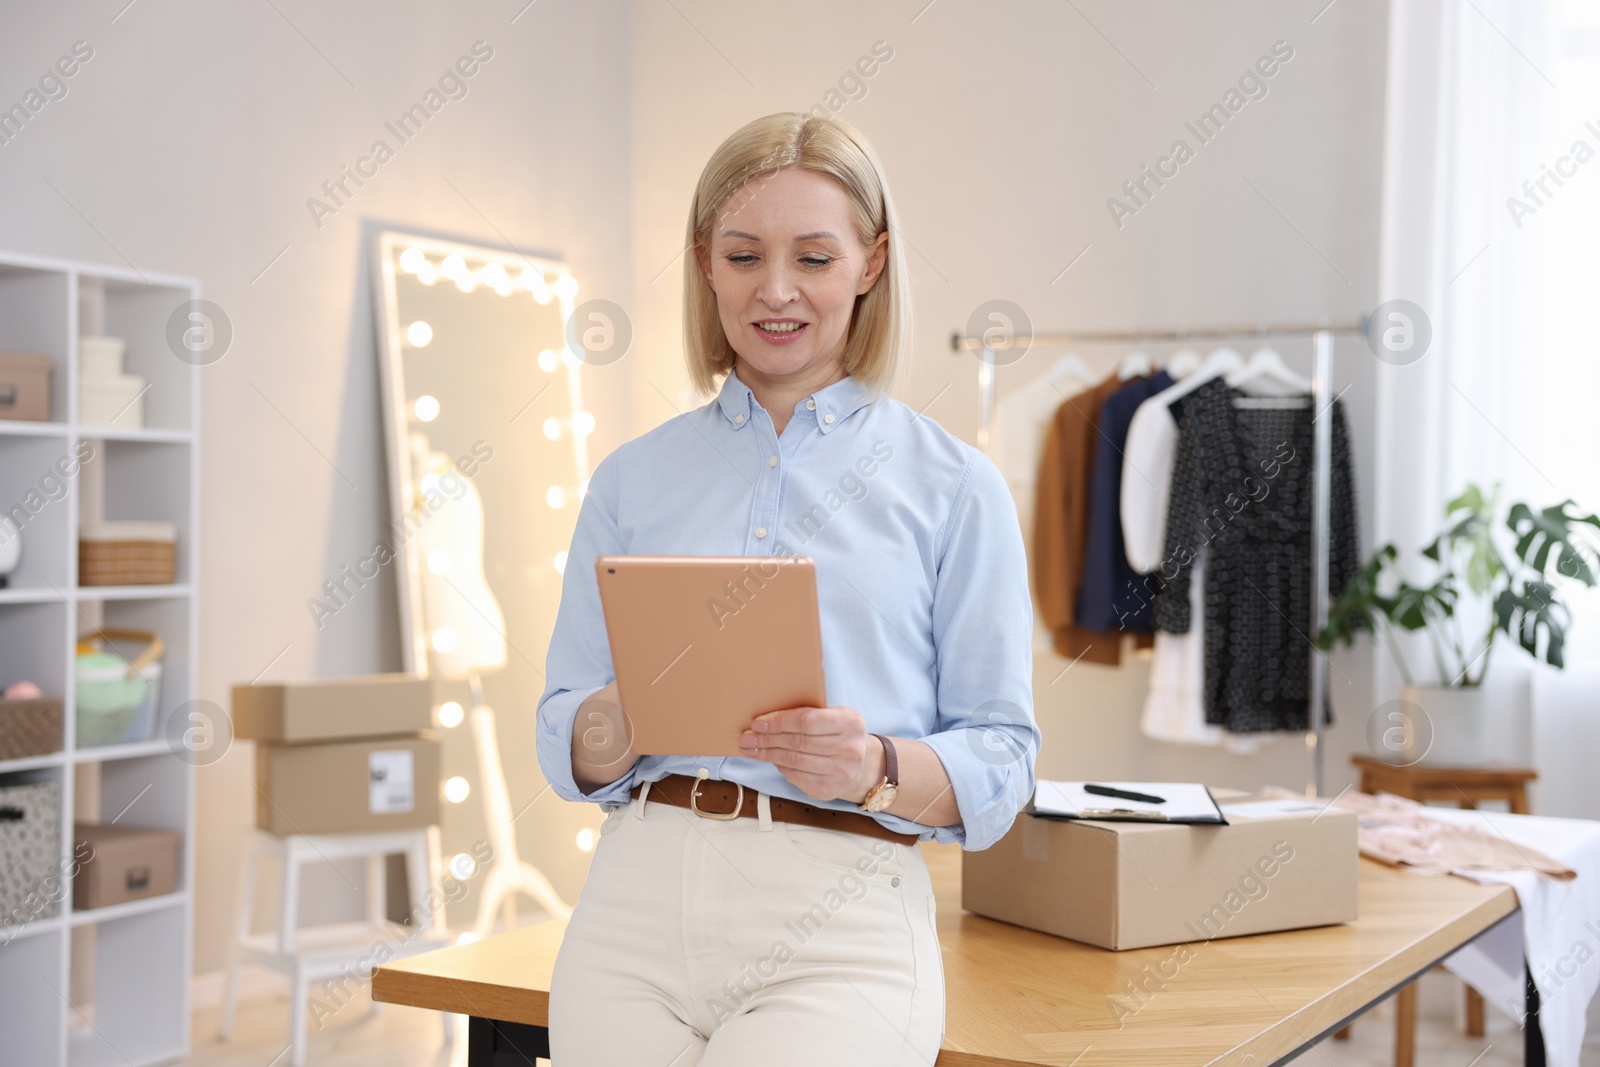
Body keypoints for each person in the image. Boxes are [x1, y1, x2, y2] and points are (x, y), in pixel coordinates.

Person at [536, 111, 1038, 1067]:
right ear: (704, 263)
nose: (775, 291)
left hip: (841, 918)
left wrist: (876, 767)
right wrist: (625, 713)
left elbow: (1004, 755)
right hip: (633, 904)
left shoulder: (954, 486)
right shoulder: (628, 481)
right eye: (742, 254)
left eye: (813, 256)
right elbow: (564, 738)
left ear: (872, 262)